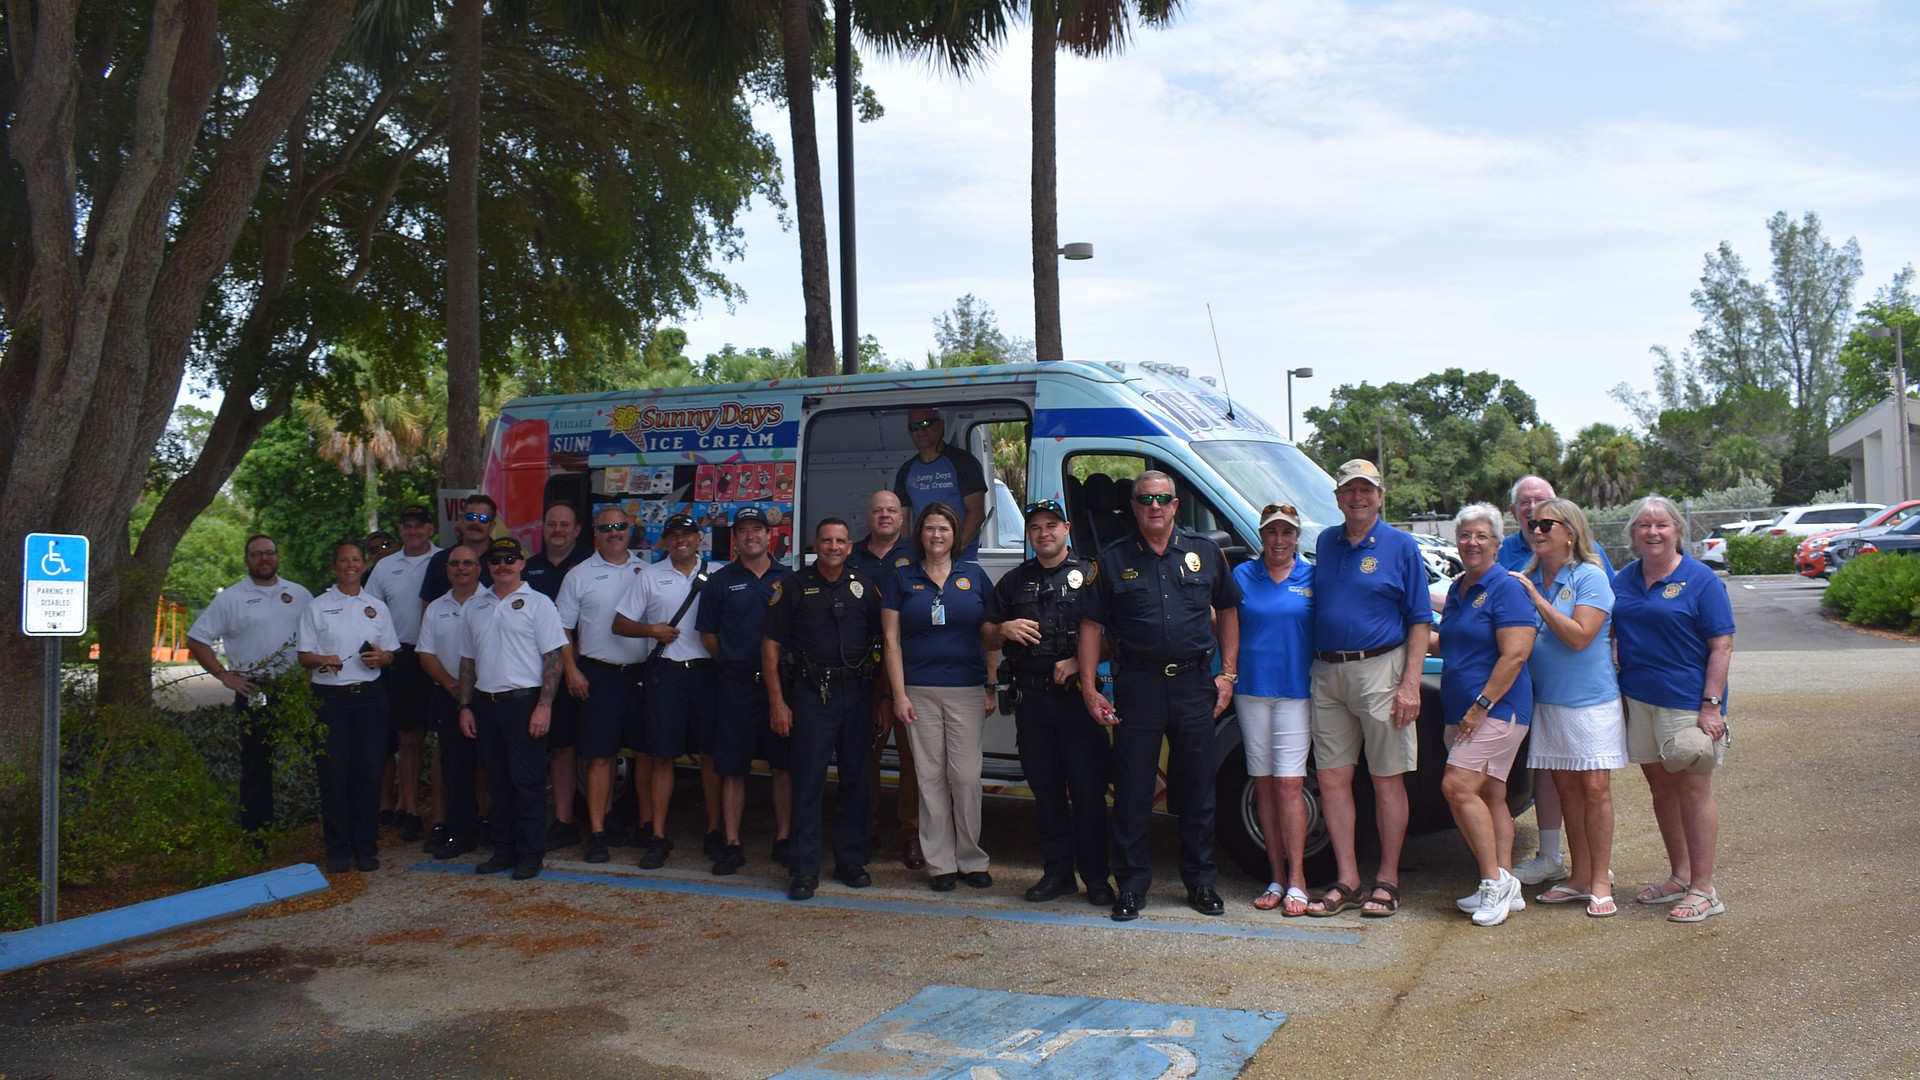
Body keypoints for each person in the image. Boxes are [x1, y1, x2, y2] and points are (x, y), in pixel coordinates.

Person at [1078, 471, 1242, 922]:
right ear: (1133, 506)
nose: (1155, 506)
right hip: (1138, 686)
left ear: (1175, 505)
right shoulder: (1110, 561)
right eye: (1145, 498)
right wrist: (1090, 687)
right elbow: (1091, 627)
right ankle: (1130, 886)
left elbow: (1228, 612)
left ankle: (1201, 882)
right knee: (1131, 791)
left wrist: (1226, 674)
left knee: (1196, 790)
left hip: (1194, 686)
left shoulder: (1205, 553)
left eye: (1163, 499)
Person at [1306, 459, 1433, 919]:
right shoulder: (1326, 541)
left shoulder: (1402, 546)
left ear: (1380, 497)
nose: (1357, 497)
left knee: (1386, 781)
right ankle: (1348, 880)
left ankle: (1388, 880)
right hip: (1327, 673)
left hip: (1382, 671)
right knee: (1332, 779)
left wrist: (1410, 685)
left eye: (1366, 490)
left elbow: (1420, 620)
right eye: (1349, 490)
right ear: (1338, 497)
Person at [982, 499, 1113, 906]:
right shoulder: (1014, 582)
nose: (1043, 533)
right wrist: (1002, 629)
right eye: (1035, 527)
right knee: (1047, 791)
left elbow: (1121, 634)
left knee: (1089, 793)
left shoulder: (1091, 576)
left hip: (1078, 700)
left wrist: (1080, 660)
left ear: (1067, 528)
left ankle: (1095, 878)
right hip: (1033, 702)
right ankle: (1057, 874)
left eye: (1051, 525)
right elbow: (985, 636)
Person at [1614, 495, 1734, 923]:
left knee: (1692, 789)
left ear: (1678, 531)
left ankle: (1705, 888)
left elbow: (1721, 645)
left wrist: (1711, 706)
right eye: (1644, 525)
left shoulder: (1701, 580)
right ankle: (1681, 876)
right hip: (1638, 698)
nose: (1652, 532)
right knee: (1661, 788)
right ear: (1633, 534)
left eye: (1661, 524)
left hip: (1686, 702)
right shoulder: (1623, 579)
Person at [1508, 497, 1625, 916]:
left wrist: (1537, 601)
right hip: (1548, 703)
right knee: (1566, 790)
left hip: (1591, 703)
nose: (1536, 531)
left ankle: (1599, 878)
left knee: (1594, 788)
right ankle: (1578, 877)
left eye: (1546, 525)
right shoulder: (1527, 575)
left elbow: (1579, 636)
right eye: (1532, 525)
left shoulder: (1589, 576)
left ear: (1570, 533)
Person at [761, 518, 883, 901]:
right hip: (812, 695)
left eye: (841, 541)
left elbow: (883, 643)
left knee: (856, 781)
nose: (833, 546)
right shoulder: (792, 588)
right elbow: (770, 647)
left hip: (858, 695)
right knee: (808, 782)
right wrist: (777, 702)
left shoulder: (864, 588)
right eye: (826, 540)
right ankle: (804, 869)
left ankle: (850, 861)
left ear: (850, 547)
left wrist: (882, 700)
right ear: (815, 544)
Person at [882, 503, 998, 892]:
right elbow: (891, 641)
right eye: (929, 529)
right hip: (918, 691)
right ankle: (940, 864)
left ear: (955, 535)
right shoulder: (902, 578)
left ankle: (971, 858)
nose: (936, 536)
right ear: (920, 535)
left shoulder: (976, 576)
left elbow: (991, 635)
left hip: (967, 689)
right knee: (929, 777)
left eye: (943, 529)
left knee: (966, 778)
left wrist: (991, 683)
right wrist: (898, 694)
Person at [1433, 503, 1537, 927]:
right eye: (1464, 535)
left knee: (1457, 787)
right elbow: (1452, 645)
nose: (1471, 542)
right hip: (1462, 710)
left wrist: (1481, 706)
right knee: (1491, 795)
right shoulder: (1460, 588)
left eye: (1481, 536)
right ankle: (1503, 881)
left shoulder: (1506, 587)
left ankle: (1492, 882)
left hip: (1497, 709)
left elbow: (1515, 654)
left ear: (1497, 542)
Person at [185, 534, 313, 832]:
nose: (264, 559)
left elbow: (317, 635)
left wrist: (308, 677)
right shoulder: (230, 598)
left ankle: (325, 828)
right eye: (257, 554)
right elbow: (197, 639)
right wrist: (224, 675)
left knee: (321, 754)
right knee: (257, 766)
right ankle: (258, 835)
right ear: (246, 560)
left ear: (278, 557)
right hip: (254, 690)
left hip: (296, 689)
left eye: (269, 553)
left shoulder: (300, 594)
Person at [458, 536, 568, 881]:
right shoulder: (475, 606)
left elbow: (553, 658)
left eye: (509, 558)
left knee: (528, 783)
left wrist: (544, 706)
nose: (502, 565)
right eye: (495, 560)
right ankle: (503, 850)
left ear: (522, 563)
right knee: (497, 783)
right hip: (485, 704)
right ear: (487, 566)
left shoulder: (539, 604)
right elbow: (467, 662)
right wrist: (465, 705)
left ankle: (530, 855)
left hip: (524, 704)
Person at [614, 513, 719, 870]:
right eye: (673, 536)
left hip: (706, 673)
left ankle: (715, 832)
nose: (681, 541)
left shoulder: (718, 573)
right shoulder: (650, 576)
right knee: (662, 757)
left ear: (698, 537)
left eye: (687, 534)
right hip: (666, 674)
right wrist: (651, 630)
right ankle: (658, 836)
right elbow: (619, 623)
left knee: (712, 756)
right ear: (665, 542)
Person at [1230, 504, 1316, 916]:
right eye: (1271, 532)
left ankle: (1299, 880)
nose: (1279, 540)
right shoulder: (1243, 575)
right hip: (1250, 691)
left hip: (1296, 693)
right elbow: (1223, 625)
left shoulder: (1312, 576)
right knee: (1262, 785)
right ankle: (1276, 877)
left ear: (1297, 536)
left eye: (1287, 532)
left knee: (1289, 785)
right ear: (1261, 535)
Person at [697, 506, 793, 874]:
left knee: (783, 767)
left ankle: (783, 839)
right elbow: (708, 635)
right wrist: (736, 663)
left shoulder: (789, 578)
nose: (751, 535)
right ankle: (732, 842)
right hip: (736, 686)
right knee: (732, 768)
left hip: (780, 688)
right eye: (744, 531)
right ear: (734, 538)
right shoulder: (721, 581)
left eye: (758, 529)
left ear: (769, 535)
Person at [296, 540, 400, 873]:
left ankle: (366, 848)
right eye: (344, 560)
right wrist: (322, 659)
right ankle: (338, 851)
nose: (350, 565)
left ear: (364, 565)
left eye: (356, 560)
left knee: (369, 775)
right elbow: (304, 656)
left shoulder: (376, 607)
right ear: (334, 567)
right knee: (334, 776)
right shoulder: (317, 606)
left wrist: (384, 658)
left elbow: (391, 652)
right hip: (331, 700)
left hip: (369, 697)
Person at [555, 505, 650, 864]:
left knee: (644, 754)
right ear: (595, 533)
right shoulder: (579, 575)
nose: (613, 533)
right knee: (599, 756)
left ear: (631, 529)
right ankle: (596, 833)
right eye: (606, 527)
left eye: (620, 526)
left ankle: (645, 826)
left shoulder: (647, 570)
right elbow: (561, 628)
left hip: (642, 675)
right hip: (599, 673)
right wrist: (570, 670)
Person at [848, 489, 923, 870]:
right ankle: (867, 829)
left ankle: (911, 834)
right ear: (869, 517)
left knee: (913, 759)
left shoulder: (918, 553)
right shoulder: (851, 555)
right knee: (865, 757)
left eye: (891, 510)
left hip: (907, 668)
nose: (885, 516)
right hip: (862, 669)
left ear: (901, 516)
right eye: (878, 510)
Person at [365, 504, 440, 844]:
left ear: (430, 529)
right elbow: (368, 614)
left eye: (419, 525)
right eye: (407, 526)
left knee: (446, 740)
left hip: (442, 656)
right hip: (401, 656)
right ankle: (409, 810)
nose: (413, 531)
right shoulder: (384, 567)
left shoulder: (444, 560)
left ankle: (447, 813)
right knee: (408, 739)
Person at [522, 500, 589, 853]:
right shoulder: (525, 569)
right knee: (536, 748)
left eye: (565, 524)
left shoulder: (590, 564)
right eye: (552, 524)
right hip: (528, 673)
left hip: (575, 672)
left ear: (577, 530)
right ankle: (531, 819)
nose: (558, 530)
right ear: (543, 529)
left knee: (568, 747)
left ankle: (566, 820)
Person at [416, 543, 485, 858]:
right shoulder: (435, 608)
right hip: (448, 694)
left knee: (492, 765)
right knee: (454, 767)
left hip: (488, 695)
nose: (461, 568)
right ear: (447, 570)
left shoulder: (492, 602)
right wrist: (453, 686)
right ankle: (460, 832)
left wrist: (471, 689)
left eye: (467, 563)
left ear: (478, 568)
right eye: (455, 563)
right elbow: (426, 654)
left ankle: (493, 826)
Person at [893, 409, 987, 557]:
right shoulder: (906, 470)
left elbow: (977, 513)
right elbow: (902, 521)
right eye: (914, 427)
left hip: (960, 560)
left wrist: (952, 552)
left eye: (925, 423)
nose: (920, 430)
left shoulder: (963, 462)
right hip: (923, 562)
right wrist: (907, 555)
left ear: (941, 425)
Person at [421, 494, 498, 603]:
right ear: (461, 520)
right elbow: (427, 607)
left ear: (492, 526)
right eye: (471, 517)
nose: (476, 522)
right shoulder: (440, 560)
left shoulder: (502, 560)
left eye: (483, 519)